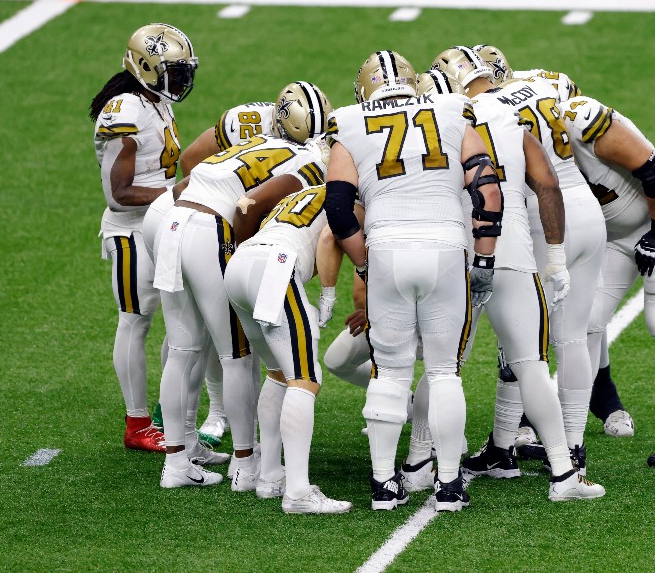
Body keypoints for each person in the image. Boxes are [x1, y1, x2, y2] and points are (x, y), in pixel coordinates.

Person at [324, 50, 501, 512]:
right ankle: (449, 484)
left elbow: (339, 210)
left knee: (390, 372)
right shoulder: (451, 109)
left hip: (387, 246)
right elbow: (486, 185)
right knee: (443, 372)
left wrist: (366, 267)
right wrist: (485, 258)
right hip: (445, 244)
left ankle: (384, 484)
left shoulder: (348, 122)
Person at [425, 49, 603, 500]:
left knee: (444, 370)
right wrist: (556, 258)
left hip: (461, 251)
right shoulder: (513, 111)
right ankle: (564, 468)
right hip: (521, 245)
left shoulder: (438, 118)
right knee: (535, 363)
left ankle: (418, 467)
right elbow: (547, 182)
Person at [151, 81, 331, 488]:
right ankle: (245, 465)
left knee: (181, 348)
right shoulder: (308, 159)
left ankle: (175, 462)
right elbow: (245, 207)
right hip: (212, 228)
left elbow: (182, 184)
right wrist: (237, 250)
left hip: (173, 221)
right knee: (236, 355)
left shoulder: (253, 143)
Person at [475, 44, 635, 438]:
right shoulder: (548, 83)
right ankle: (574, 445)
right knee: (574, 335)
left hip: (541, 218)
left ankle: (511, 439)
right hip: (586, 208)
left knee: (523, 339)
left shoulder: (485, 110)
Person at [559, 93, 655, 467]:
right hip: (612, 231)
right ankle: (571, 433)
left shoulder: (579, 120)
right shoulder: (523, 129)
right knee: (588, 320)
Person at [88, 22, 198, 453]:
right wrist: (177, 193)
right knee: (136, 320)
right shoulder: (125, 111)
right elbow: (118, 195)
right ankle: (137, 424)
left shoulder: (154, 101)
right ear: (147, 68)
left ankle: (168, 412)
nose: (182, 81)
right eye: (175, 72)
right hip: (132, 229)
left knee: (184, 316)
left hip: (163, 222)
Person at [225, 179, 352, 514]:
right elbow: (330, 237)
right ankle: (297, 492)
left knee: (278, 372)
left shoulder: (303, 192)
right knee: (305, 378)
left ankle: (269, 476)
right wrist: (328, 294)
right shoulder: (350, 190)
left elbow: (248, 209)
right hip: (275, 265)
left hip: (241, 262)